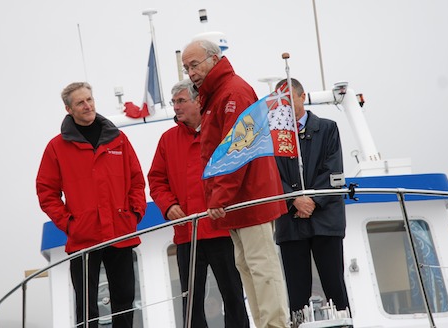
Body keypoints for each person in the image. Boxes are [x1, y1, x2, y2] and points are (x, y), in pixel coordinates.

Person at [182, 39, 290, 328]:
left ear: (214, 59)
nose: (191, 73)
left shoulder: (233, 93)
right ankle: (265, 324)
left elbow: (237, 150)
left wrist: (219, 197)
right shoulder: (218, 95)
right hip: (239, 199)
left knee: (261, 266)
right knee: (248, 266)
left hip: (249, 196)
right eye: (186, 68)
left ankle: (274, 325)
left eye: (195, 65)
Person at [36, 82, 146, 328]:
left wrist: (135, 212)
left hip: (121, 230)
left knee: (125, 299)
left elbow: (137, 181)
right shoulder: (56, 147)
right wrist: (69, 223)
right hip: (83, 236)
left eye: (90, 99)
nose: (87, 106)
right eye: (80, 102)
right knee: (86, 306)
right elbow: (46, 192)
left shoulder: (119, 139)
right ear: (68, 109)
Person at [148, 79, 250, 328]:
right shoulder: (167, 140)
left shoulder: (218, 133)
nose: (176, 107)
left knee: (233, 295)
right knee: (191, 301)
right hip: (187, 234)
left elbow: (237, 170)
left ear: (198, 102)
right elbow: (156, 180)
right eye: (174, 102)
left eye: (181, 101)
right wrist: (169, 205)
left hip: (221, 229)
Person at [273, 78, 349, 316]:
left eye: (288, 99)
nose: (284, 106)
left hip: (325, 220)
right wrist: (294, 199)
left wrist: (313, 201)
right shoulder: (272, 137)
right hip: (291, 222)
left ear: (302, 97)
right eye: (280, 102)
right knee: (297, 294)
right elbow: (270, 175)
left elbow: (333, 170)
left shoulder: (328, 128)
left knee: (335, 287)